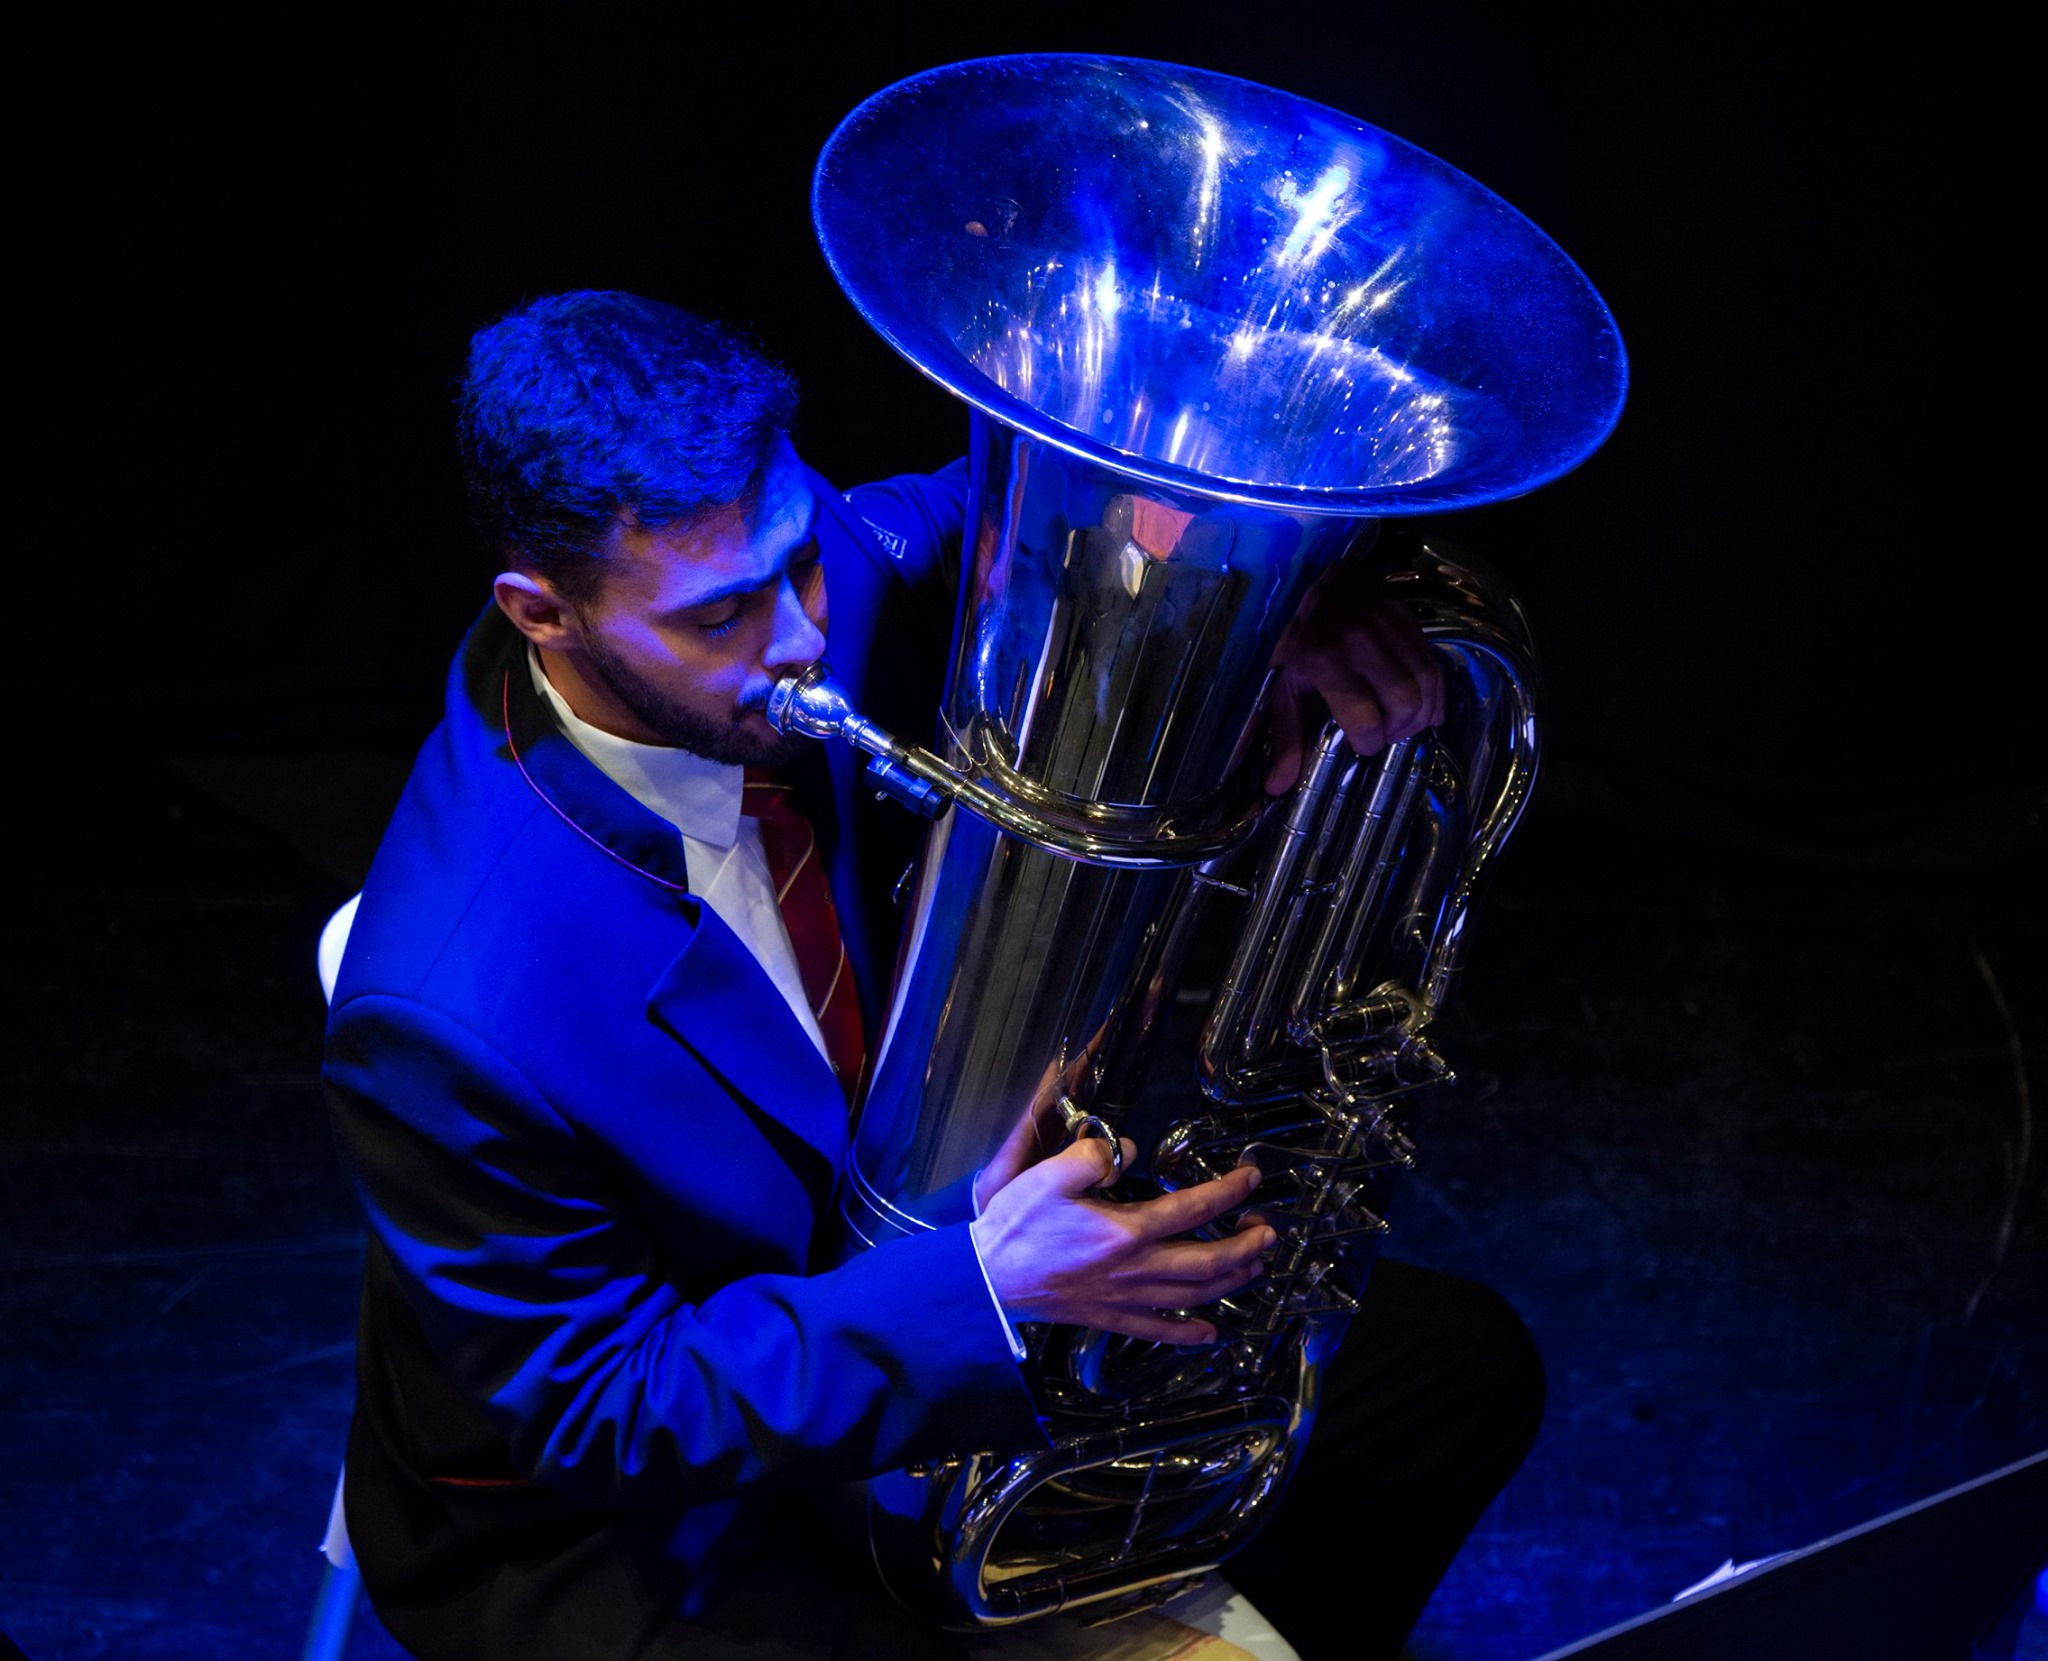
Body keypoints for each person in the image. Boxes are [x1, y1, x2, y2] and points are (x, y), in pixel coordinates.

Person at [323, 290, 1542, 1661]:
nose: (800, 636)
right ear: (541, 613)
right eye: (725, 613)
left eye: (800, 561)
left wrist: (1288, 615)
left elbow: (1072, 530)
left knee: (1459, 1377)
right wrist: (981, 1293)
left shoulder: (788, 574)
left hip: (915, 1291)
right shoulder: (446, 1003)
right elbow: (604, 1406)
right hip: (642, 1524)